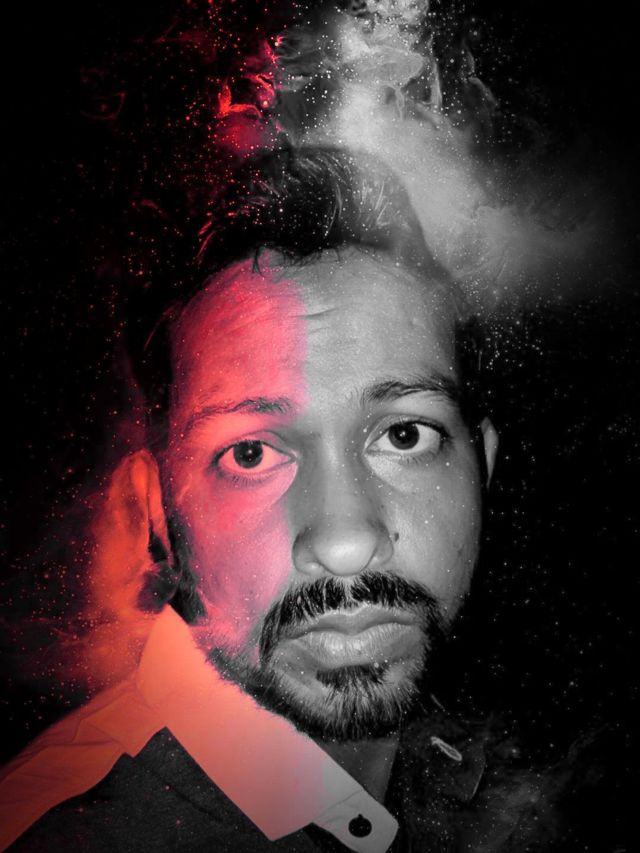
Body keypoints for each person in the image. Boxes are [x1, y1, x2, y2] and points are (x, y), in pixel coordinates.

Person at [3, 144, 566, 853]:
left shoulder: (494, 770)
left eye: (403, 434)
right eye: (251, 453)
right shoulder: (59, 835)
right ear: (156, 511)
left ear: (482, 466)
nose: (345, 541)